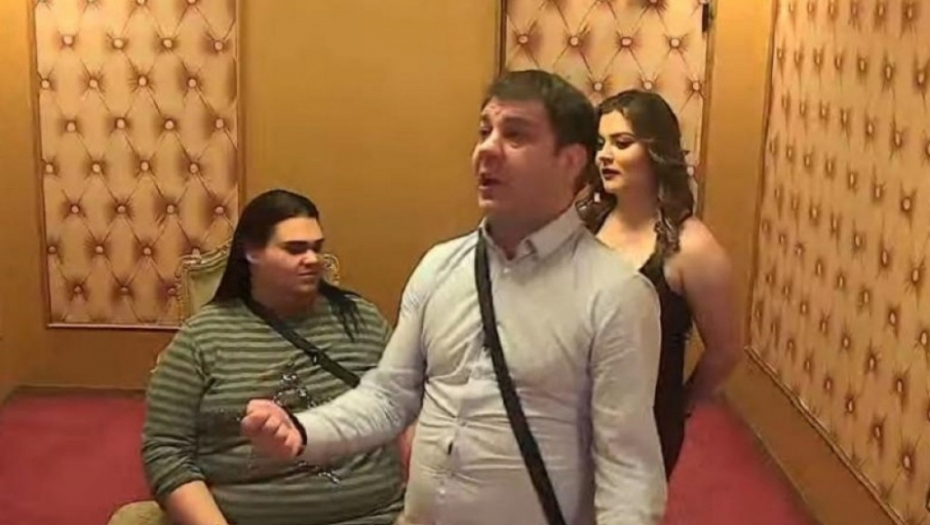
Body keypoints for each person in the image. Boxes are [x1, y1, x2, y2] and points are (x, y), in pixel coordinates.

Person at [240, 71, 667, 525]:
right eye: (484, 131)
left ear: (570, 160)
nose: (487, 150)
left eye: (515, 135)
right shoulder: (441, 266)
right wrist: (303, 430)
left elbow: (628, 470)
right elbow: (391, 396)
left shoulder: (616, 294)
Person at [141, 189, 407, 525]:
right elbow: (165, 451)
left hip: (379, 515)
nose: (312, 259)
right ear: (251, 252)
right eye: (295, 249)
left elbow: (407, 408)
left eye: (316, 248)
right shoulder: (201, 339)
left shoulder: (362, 320)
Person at [578, 90, 741, 477]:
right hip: (574, 411)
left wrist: (679, 405)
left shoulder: (693, 248)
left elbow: (725, 351)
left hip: (644, 428)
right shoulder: (586, 222)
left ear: (656, 152)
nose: (604, 155)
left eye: (621, 143)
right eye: (600, 144)